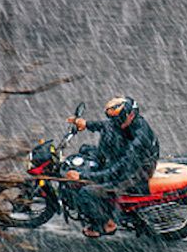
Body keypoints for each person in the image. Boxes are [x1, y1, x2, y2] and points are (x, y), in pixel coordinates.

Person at [65, 96, 159, 238]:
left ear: (131, 115)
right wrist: (86, 124)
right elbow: (106, 126)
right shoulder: (127, 122)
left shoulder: (139, 140)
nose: (114, 123)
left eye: (117, 120)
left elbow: (117, 171)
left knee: (86, 192)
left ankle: (106, 224)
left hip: (135, 172)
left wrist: (82, 176)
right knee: (86, 150)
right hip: (126, 160)